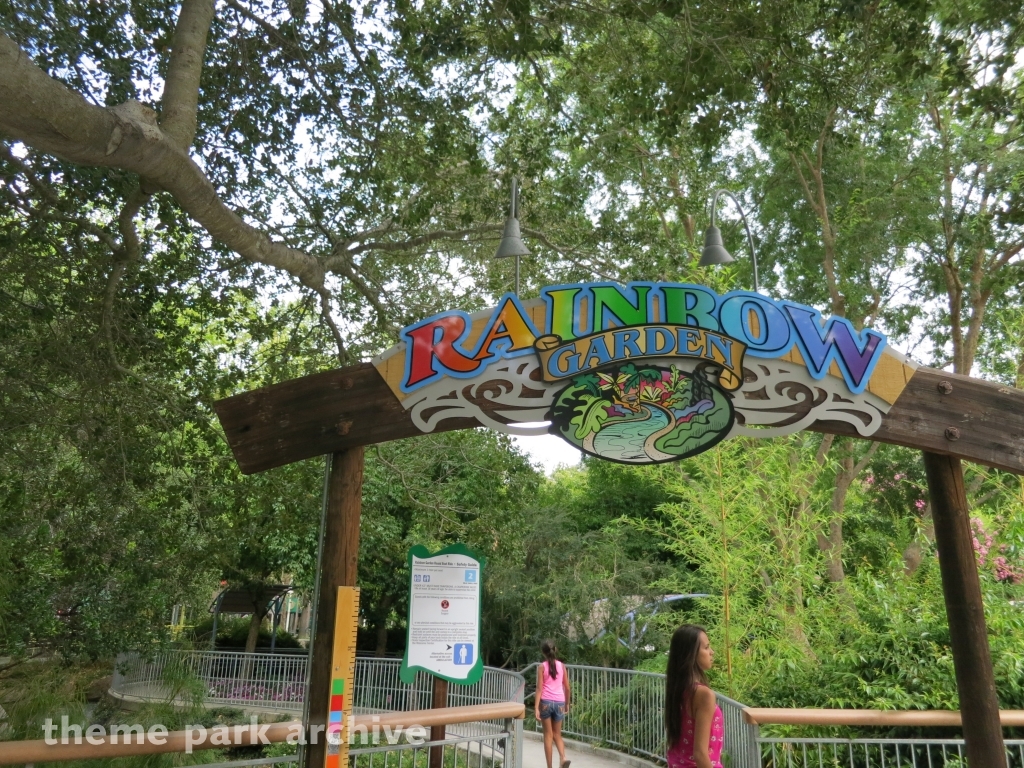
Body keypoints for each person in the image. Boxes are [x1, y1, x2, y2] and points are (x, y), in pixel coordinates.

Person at [665, 625, 724, 768]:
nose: (712, 652)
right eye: (706, 647)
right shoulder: (704, 695)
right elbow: (700, 754)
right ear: (691, 653)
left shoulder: (678, 689)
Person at [535, 639, 571, 768]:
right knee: (557, 734)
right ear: (555, 650)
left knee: (548, 736)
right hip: (560, 702)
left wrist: (536, 708)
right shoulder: (562, 666)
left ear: (543, 652)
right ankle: (563, 757)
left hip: (546, 702)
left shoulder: (541, 667)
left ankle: (549, 767)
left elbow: (539, 688)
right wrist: (567, 704)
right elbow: (567, 687)